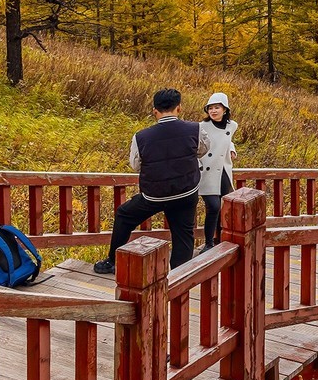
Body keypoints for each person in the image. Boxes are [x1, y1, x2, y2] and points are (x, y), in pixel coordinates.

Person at [94, 88, 208, 275]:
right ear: (179, 108)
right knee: (183, 233)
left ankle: (113, 261)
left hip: (155, 194)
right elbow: (203, 150)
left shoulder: (141, 136)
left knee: (124, 215)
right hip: (186, 192)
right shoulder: (195, 129)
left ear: (154, 110)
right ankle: (180, 275)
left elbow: (135, 165)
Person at [198, 92, 239, 254]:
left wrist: (232, 149)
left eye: (217, 107)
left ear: (225, 109)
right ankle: (208, 243)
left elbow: (226, 141)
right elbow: (197, 146)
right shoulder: (201, 127)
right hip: (207, 171)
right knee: (213, 206)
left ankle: (219, 239)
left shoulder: (232, 126)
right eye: (210, 108)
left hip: (223, 170)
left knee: (222, 207)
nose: (213, 111)